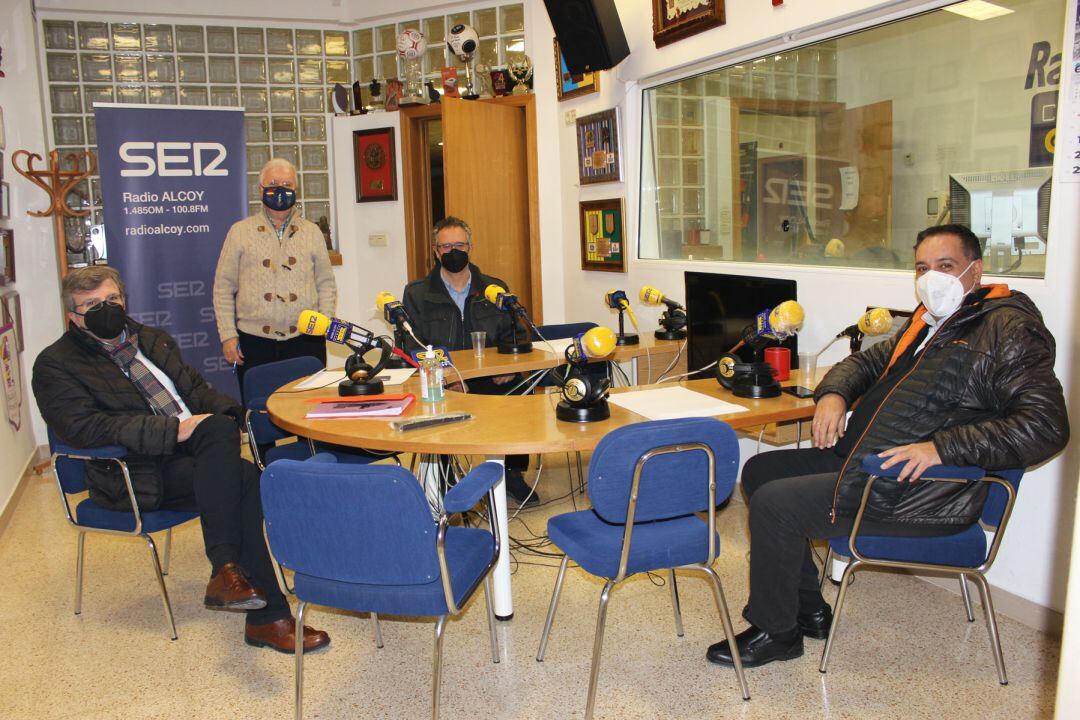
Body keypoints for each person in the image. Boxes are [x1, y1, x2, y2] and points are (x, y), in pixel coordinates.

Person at [706, 224, 1068, 668]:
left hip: (921, 487)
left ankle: (775, 632)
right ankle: (808, 610)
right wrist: (834, 395)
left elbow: (1046, 425)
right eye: (922, 267)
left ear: (976, 271)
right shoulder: (930, 321)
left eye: (946, 266)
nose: (931, 277)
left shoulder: (1007, 328)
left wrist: (943, 449)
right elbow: (865, 360)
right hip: (869, 463)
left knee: (778, 504)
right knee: (762, 473)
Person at [33, 266, 330, 654]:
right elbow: (85, 429)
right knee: (240, 475)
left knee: (225, 440)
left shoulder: (152, 340)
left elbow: (196, 391)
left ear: (124, 300)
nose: (105, 309)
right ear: (73, 316)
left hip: (194, 460)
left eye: (112, 300)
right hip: (131, 473)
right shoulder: (55, 363)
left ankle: (236, 583)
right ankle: (261, 611)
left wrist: (236, 413)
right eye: (91, 305)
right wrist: (174, 430)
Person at [402, 216, 538, 506]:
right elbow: (410, 345)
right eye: (446, 246)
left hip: (491, 379)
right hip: (443, 383)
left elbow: (516, 334)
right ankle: (446, 475)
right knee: (433, 403)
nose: (453, 251)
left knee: (519, 392)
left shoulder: (494, 288)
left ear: (471, 248)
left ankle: (512, 473)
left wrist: (508, 368)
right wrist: (445, 378)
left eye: (459, 245)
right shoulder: (417, 294)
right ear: (436, 252)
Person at [213, 157, 337, 397]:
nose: (281, 189)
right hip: (254, 342)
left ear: (295, 190)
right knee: (261, 414)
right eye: (274, 183)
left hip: (305, 340)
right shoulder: (239, 232)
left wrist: (325, 322)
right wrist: (228, 335)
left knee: (309, 410)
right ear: (261, 189)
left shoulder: (311, 232)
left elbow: (327, 284)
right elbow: (222, 287)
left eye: (288, 184)